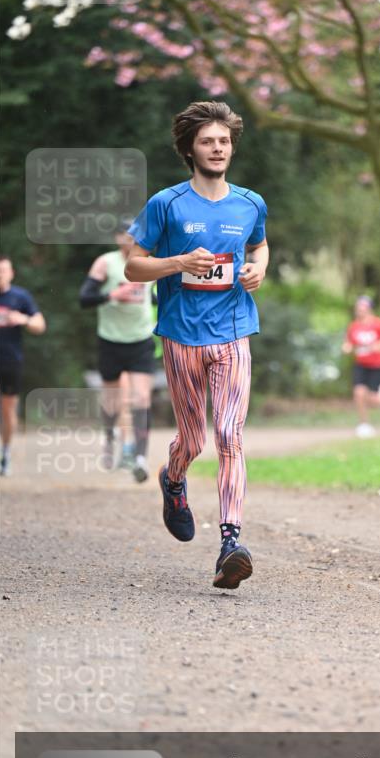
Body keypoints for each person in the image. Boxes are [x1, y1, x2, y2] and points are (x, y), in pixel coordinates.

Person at [124, 100, 269, 591]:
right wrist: (178, 263)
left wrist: (259, 268)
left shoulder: (250, 203)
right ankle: (174, 477)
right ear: (190, 148)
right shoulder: (166, 204)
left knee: (230, 435)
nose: (217, 148)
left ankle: (231, 543)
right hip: (182, 336)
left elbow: (259, 243)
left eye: (224, 141)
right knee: (194, 440)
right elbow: (133, 266)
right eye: (207, 141)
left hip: (233, 334)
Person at [79, 225, 155, 482]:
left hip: (141, 339)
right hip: (110, 339)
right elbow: (84, 298)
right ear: (117, 238)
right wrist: (113, 294)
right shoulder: (106, 263)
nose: (129, 239)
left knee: (141, 397)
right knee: (112, 400)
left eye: (134, 234)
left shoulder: (150, 263)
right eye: (125, 234)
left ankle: (141, 458)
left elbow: (158, 297)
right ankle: (110, 437)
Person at [0, 255, 46, 476]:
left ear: (11, 272)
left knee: (7, 410)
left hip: (11, 359)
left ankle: (5, 452)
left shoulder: (20, 297)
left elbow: (40, 325)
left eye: (3, 270)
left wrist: (23, 319)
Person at [342, 296, 380, 438]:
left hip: (377, 365)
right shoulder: (353, 326)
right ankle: (364, 424)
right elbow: (348, 343)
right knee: (358, 393)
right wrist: (347, 348)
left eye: (363, 308)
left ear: (369, 309)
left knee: (374, 400)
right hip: (360, 365)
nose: (360, 311)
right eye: (358, 308)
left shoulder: (378, 324)